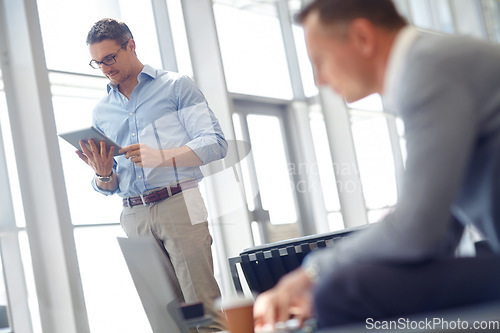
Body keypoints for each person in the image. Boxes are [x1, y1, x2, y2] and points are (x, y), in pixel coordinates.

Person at [254, 0, 500, 329]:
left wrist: (311, 272)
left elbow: (416, 229)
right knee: (349, 286)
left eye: (320, 61)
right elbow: (439, 234)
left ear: (362, 37)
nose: (319, 80)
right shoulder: (436, 63)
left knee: (341, 292)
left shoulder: (429, 68)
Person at [78, 18, 227, 332]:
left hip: (180, 202)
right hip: (134, 214)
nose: (105, 68)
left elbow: (215, 142)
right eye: (97, 62)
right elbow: (109, 184)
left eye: (110, 58)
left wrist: (163, 157)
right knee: (166, 321)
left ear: (130, 45)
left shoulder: (175, 85)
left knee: (204, 313)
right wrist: (103, 175)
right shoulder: (101, 111)